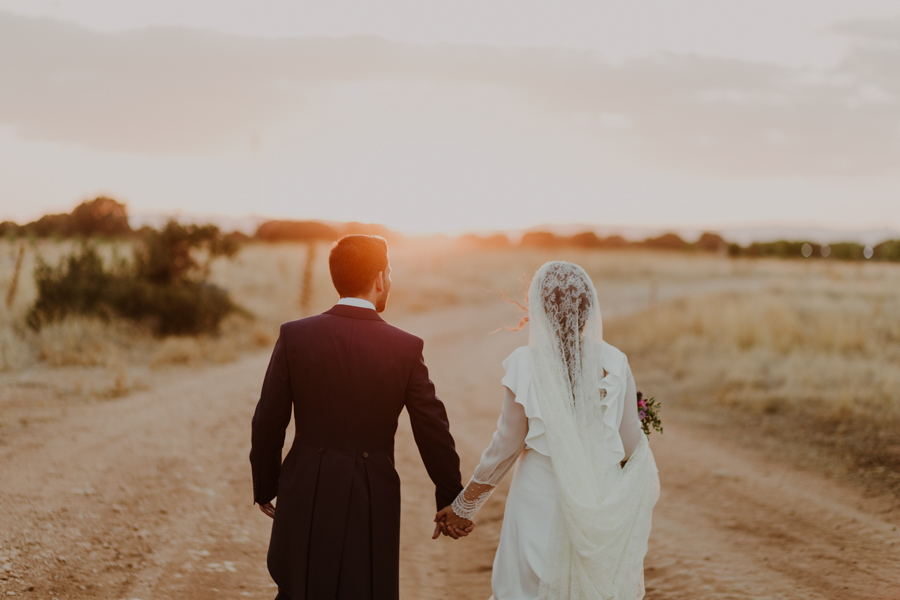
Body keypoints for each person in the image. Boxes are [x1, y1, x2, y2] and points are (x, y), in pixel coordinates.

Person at [250, 234, 468, 600]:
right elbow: (433, 428)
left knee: (300, 588)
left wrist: (267, 484)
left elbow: (268, 419)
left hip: (304, 486)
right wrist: (451, 497)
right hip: (373, 492)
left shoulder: (295, 336)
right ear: (380, 278)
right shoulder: (406, 347)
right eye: (391, 272)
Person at [436, 261, 660, 599]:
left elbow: (505, 446)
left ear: (539, 308)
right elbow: (631, 444)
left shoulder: (526, 364)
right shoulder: (615, 362)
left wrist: (464, 506)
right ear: (588, 307)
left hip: (539, 502)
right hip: (597, 498)